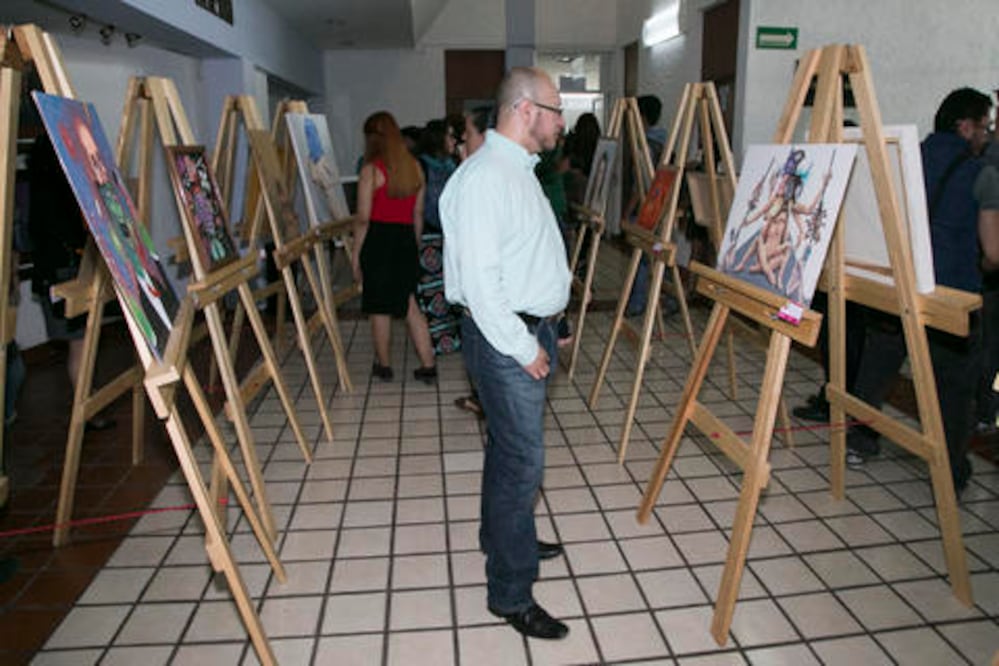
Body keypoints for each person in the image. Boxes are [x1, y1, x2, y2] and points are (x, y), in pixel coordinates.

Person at [440, 67, 572, 640]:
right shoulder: (486, 178)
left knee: (509, 453)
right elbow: (482, 284)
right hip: (505, 341)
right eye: (555, 109)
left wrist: (552, 319)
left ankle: (504, 534)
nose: (562, 122)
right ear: (525, 109)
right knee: (523, 464)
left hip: (529, 329)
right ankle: (510, 592)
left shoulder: (516, 169)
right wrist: (524, 346)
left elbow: (525, 256)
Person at [844, 88, 999, 496]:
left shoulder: (901, 158)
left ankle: (859, 443)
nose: (987, 134)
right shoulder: (981, 173)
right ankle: (948, 471)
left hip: (895, 288)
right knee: (954, 387)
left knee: (877, 368)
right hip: (950, 294)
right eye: (985, 126)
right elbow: (994, 252)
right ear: (965, 126)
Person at [352, 111, 437, 383]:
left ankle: (384, 366)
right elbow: (419, 213)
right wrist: (413, 242)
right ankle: (428, 365)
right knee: (410, 303)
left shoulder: (370, 170)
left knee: (379, 306)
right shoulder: (415, 167)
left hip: (378, 239)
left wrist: (356, 254)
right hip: (405, 239)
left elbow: (363, 218)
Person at [416, 119, 460, 354]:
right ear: (437, 139)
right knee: (433, 291)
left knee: (452, 288)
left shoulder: (453, 164)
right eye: (450, 136)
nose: (455, 141)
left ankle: (453, 339)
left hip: (452, 237)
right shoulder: (421, 165)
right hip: (429, 236)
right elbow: (420, 205)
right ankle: (437, 343)